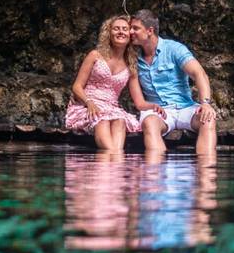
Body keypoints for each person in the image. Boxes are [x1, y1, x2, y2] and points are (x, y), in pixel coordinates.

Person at [128, 9, 216, 157]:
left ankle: (205, 172)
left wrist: (205, 103)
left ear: (150, 31)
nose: (131, 32)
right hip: (157, 111)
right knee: (149, 123)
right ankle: (156, 174)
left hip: (185, 108)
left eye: (135, 28)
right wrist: (152, 107)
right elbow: (139, 101)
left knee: (207, 119)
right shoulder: (133, 58)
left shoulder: (174, 49)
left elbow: (199, 74)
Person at [65, 14, 156, 151]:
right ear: (109, 33)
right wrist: (89, 102)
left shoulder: (131, 64)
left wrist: (154, 106)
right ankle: (112, 160)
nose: (120, 32)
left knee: (120, 121)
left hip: (112, 108)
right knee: (102, 121)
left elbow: (139, 102)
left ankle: (114, 162)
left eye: (124, 29)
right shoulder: (95, 55)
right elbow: (77, 87)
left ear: (130, 35)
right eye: (116, 29)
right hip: (88, 105)